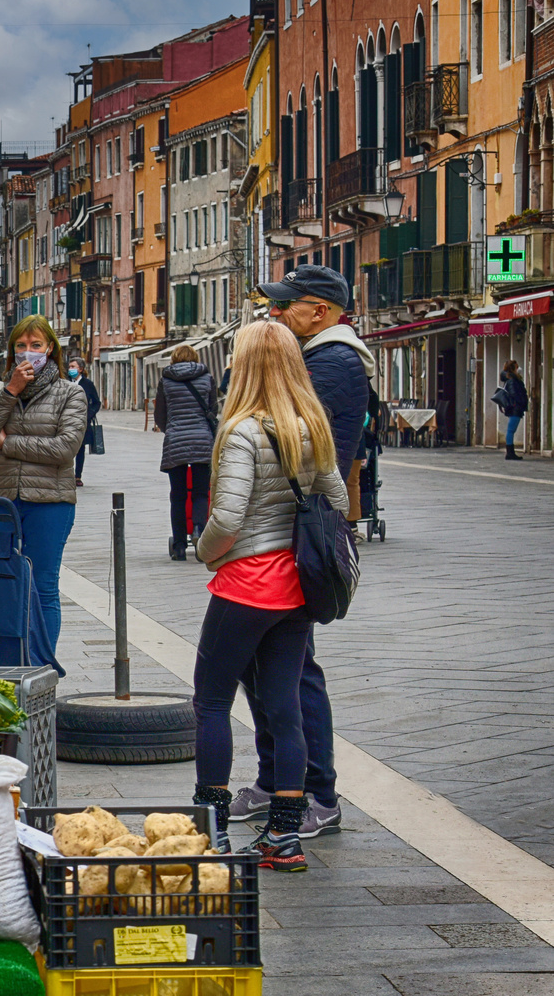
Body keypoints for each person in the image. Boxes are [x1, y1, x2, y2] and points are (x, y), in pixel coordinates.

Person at [191, 321, 348, 872]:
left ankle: (211, 828)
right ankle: (285, 834)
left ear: (245, 365)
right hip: (297, 587)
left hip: (247, 584)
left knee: (211, 700)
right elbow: (339, 498)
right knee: (283, 707)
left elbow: (228, 517)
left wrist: (203, 548)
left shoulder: (241, 431)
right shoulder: (313, 425)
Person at [229, 264, 370, 839]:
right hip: (281, 528)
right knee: (264, 664)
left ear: (320, 312)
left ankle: (317, 791)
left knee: (293, 668)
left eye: (287, 306)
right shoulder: (317, 356)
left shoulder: (333, 362)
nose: (276, 313)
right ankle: (275, 778)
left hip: (299, 531)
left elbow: (307, 447)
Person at [0, 315, 86, 660]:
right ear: (11, 352)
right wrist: (10, 392)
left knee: (43, 587)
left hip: (50, 503)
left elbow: (65, 449)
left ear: (50, 350)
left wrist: (8, 444)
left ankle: (39, 666)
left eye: (36, 346)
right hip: (0, 503)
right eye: (21, 346)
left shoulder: (70, 394)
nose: (28, 353)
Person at [155, 343, 219, 560]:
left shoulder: (166, 381)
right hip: (202, 440)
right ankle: (200, 531)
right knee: (201, 493)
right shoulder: (207, 378)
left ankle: (180, 546)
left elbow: (160, 414)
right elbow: (213, 410)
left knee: (178, 496)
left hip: (176, 441)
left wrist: (170, 430)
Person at [68, 357, 101, 487]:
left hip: (82, 422)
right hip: (68, 421)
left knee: (80, 449)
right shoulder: (66, 383)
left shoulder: (87, 384)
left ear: (80, 369)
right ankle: (67, 474)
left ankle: (77, 476)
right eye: (70, 366)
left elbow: (96, 402)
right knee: (67, 448)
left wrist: (89, 415)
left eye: (73, 367)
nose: (70, 369)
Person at [497, 360, 529, 460]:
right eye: (517, 367)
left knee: (511, 430)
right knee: (511, 430)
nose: (519, 369)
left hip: (514, 407)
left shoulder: (512, 380)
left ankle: (510, 452)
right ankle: (510, 453)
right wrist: (521, 402)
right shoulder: (512, 381)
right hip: (515, 408)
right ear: (513, 368)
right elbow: (515, 394)